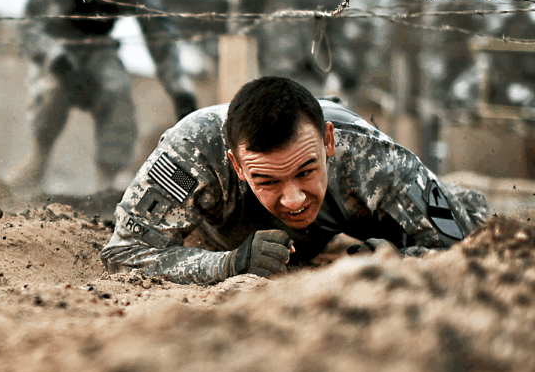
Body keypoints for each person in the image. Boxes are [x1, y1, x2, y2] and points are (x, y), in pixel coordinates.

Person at [101, 76, 490, 285]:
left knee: (469, 211)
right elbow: (124, 252)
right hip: (226, 232)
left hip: (355, 210)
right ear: (237, 166)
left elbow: (465, 251)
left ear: (329, 142)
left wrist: (398, 261)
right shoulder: (193, 150)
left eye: (306, 171)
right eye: (267, 180)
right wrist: (228, 265)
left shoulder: (377, 159)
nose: (292, 200)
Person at [8, 0, 198, 191]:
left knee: (117, 90)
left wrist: (181, 92)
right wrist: (62, 67)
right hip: (56, 46)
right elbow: (29, 26)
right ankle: (37, 161)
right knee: (52, 91)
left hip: (99, 48)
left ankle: (108, 182)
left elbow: (161, 39)